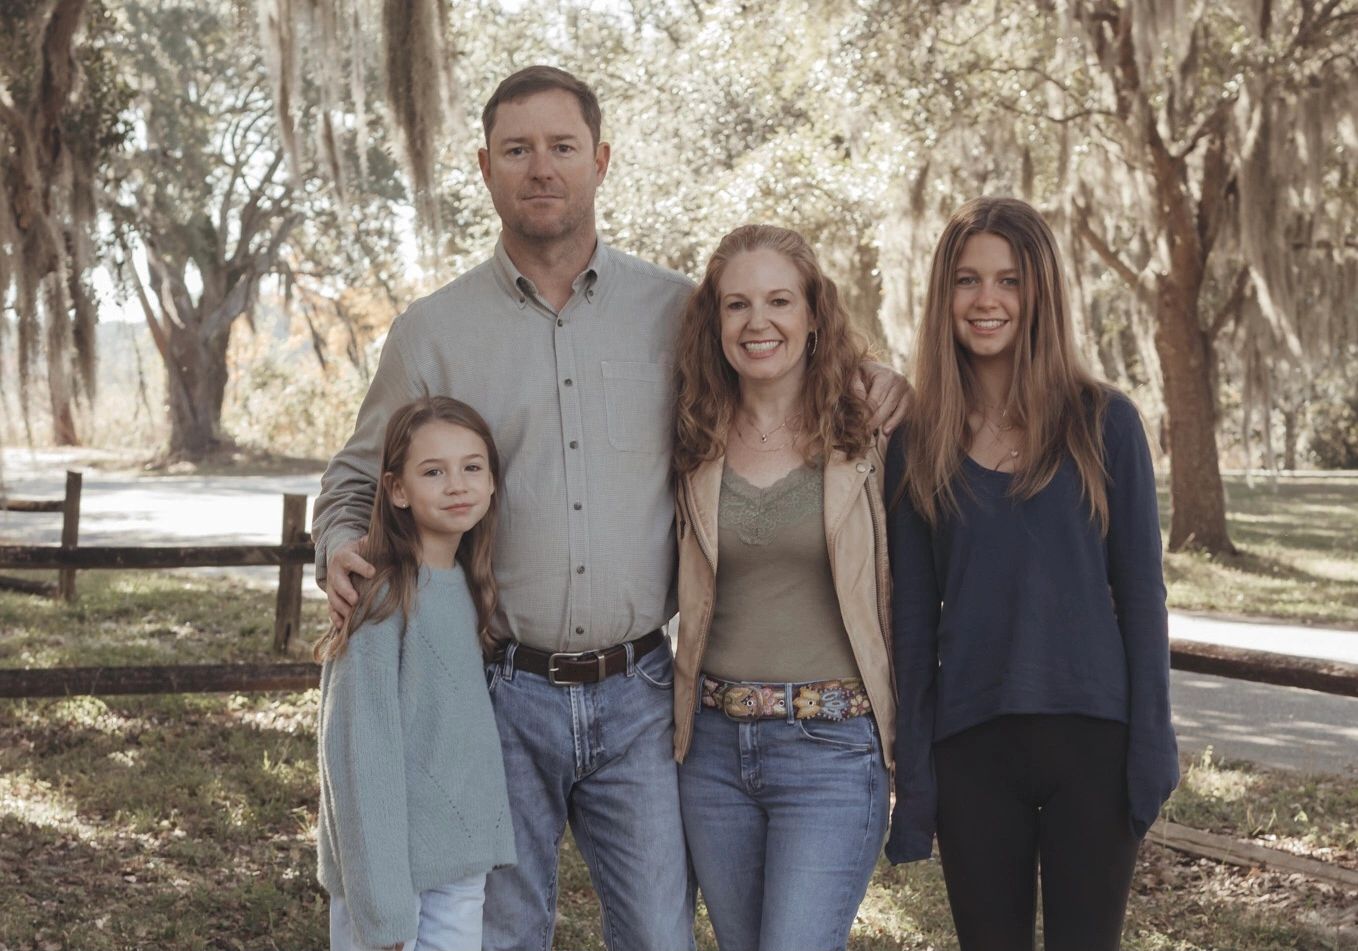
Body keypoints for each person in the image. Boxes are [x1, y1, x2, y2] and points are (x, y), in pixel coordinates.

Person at [313, 66, 908, 951]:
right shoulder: (432, 331)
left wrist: (870, 375)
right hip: (501, 689)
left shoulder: (676, 312)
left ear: (601, 159)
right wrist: (334, 544)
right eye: (517, 150)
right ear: (485, 167)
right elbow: (358, 476)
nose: (541, 167)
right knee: (505, 932)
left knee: (661, 935)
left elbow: (777, 355)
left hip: (639, 694)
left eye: (561, 147)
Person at [883, 196, 1179, 951]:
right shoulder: (918, 443)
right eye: (967, 280)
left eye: (1009, 280)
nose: (987, 300)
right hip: (973, 748)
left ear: (1039, 291)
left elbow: (1143, 598)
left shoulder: (1104, 423)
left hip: (1094, 744)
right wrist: (915, 774)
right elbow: (913, 623)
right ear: (943, 296)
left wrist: (1153, 744)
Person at [670, 224, 894, 951]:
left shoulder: (871, 430)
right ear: (716, 321)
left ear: (813, 315)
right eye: (736, 305)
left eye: (778, 300)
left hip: (830, 748)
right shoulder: (692, 434)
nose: (757, 322)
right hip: (712, 751)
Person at [315, 396, 515, 951]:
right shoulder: (381, 598)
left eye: (472, 467)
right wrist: (382, 914)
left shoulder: (467, 585)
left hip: (457, 873)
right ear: (397, 489)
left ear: (493, 481)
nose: (457, 485)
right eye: (433, 471)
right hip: (390, 887)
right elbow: (361, 760)